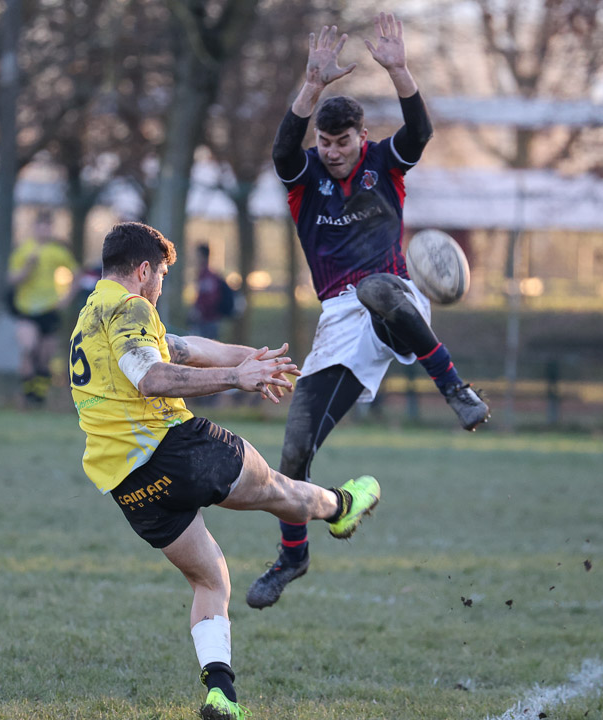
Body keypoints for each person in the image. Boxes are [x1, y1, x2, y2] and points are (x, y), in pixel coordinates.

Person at [68, 222, 381, 720]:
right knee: (280, 491)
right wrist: (238, 377)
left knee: (210, 579)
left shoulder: (91, 315)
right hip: (176, 449)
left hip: (128, 484)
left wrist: (251, 358)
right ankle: (341, 508)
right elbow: (152, 376)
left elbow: (182, 347)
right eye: (163, 275)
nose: (161, 285)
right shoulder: (131, 307)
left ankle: (221, 694)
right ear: (145, 270)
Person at [245, 14, 489, 611]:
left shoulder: (386, 164)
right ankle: (293, 556)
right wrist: (310, 85)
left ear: (360, 136)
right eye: (324, 143)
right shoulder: (305, 178)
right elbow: (282, 147)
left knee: (378, 287)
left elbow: (421, 130)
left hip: (395, 299)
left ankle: (454, 387)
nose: (331, 153)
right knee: (295, 451)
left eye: (342, 142)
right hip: (339, 323)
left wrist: (400, 70)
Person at [7, 208, 78, 405]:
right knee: (28, 347)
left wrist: (67, 298)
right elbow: (12, 279)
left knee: (45, 356)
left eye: (48, 227)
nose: (44, 231)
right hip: (27, 309)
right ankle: (28, 395)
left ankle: (39, 397)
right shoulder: (24, 250)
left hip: (49, 309)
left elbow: (76, 273)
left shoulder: (57, 251)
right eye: (41, 227)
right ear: (34, 228)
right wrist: (27, 269)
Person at [188, 244, 234, 340]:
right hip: (205, 319)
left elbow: (210, 298)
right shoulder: (202, 274)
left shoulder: (208, 276)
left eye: (198, 255)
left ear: (204, 256)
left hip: (209, 319)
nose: (196, 259)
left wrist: (200, 311)